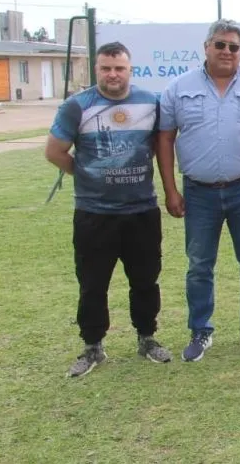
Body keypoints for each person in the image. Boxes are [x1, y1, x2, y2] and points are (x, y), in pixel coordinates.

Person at [157, 20, 240, 361]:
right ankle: (200, 332)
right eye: (220, 45)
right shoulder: (179, 88)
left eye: (233, 46)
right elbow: (165, 139)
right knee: (199, 264)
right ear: (206, 47)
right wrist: (171, 190)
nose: (227, 51)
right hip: (199, 193)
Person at [45, 41, 172, 377]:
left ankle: (147, 338)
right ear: (96, 69)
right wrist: (86, 175)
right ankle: (92, 346)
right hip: (94, 214)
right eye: (106, 68)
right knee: (92, 283)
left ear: (130, 69)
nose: (113, 74)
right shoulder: (77, 106)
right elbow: (55, 151)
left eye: (119, 68)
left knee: (145, 280)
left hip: (141, 211)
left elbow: (161, 148)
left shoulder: (150, 103)